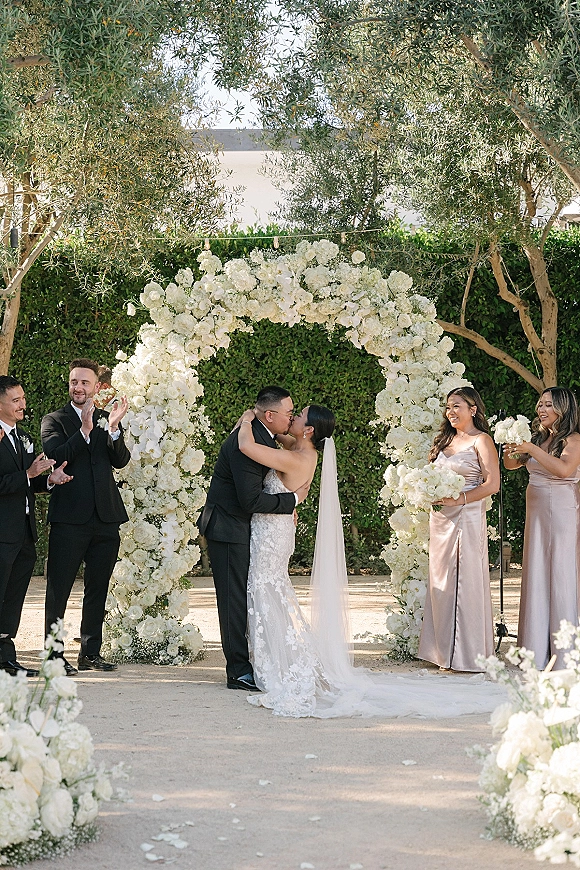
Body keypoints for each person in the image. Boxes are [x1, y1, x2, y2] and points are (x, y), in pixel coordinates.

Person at [235, 400, 506, 718]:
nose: (292, 417)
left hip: (271, 535)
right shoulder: (298, 445)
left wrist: (247, 419)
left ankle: (276, 661)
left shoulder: (299, 454)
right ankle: (268, 655)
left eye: (300, 415)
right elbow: (280, 436)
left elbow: (247, 446)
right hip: (272, 530)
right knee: (270, 592)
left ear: (309, 430)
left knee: (269, 590)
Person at [197, 386, 309, 691]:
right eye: (288, 412)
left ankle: (251, 660)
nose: (291, 417)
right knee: (233, 599)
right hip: (228, 527)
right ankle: (238, 671)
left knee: (245, 595)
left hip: (244, 526)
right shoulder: (244, 441)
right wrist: (290, 503)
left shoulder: (262, 435)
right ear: (269, 415)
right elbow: (250, 500)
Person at [41, 358, 130, 675]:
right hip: (68, 520)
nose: (78, 387)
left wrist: (115, 428)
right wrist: (84, 431)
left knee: (98, 588)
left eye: (84, 382)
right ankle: (53, 656)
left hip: (106, 519)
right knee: (59, 589)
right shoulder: (54, 420)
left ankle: (90, 653)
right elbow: (56, 455)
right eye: (74, 382)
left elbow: (120, 460)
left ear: (97, 387)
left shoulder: (108, 419)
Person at [418, 387, 500, 673]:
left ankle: (467, 653)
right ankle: (441, 652)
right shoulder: (444, 440)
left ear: (473, 409)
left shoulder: (482, 440)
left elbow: (492, 485)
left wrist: (460, 498)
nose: (451, 412)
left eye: (457, 406)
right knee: (441, 581)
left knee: (464, 580)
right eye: (448, 407)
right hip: (440, 518)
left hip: (467, 515)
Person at [503, 387, 580, 669]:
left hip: (562, 514)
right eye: (540, 404)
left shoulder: (573, 440)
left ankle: (564, 652)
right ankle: (535, 648)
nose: (541, 409)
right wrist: (510, 443)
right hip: (535, 514)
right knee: (536, 573)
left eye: (549, 404)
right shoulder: (537, 438)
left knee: (560, 574)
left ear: (563, 408)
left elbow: (563, 471)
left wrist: (531, 448)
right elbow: (511, 465)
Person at [0, 375, 72, 676]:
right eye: (16, 400)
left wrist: (48, 480)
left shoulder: (23, 436)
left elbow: (28, 481)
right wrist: (29, 474)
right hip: (2, 533)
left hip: (24, 533)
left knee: (14, 597)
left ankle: (5, 657)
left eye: (23, 398)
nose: (22, 404)